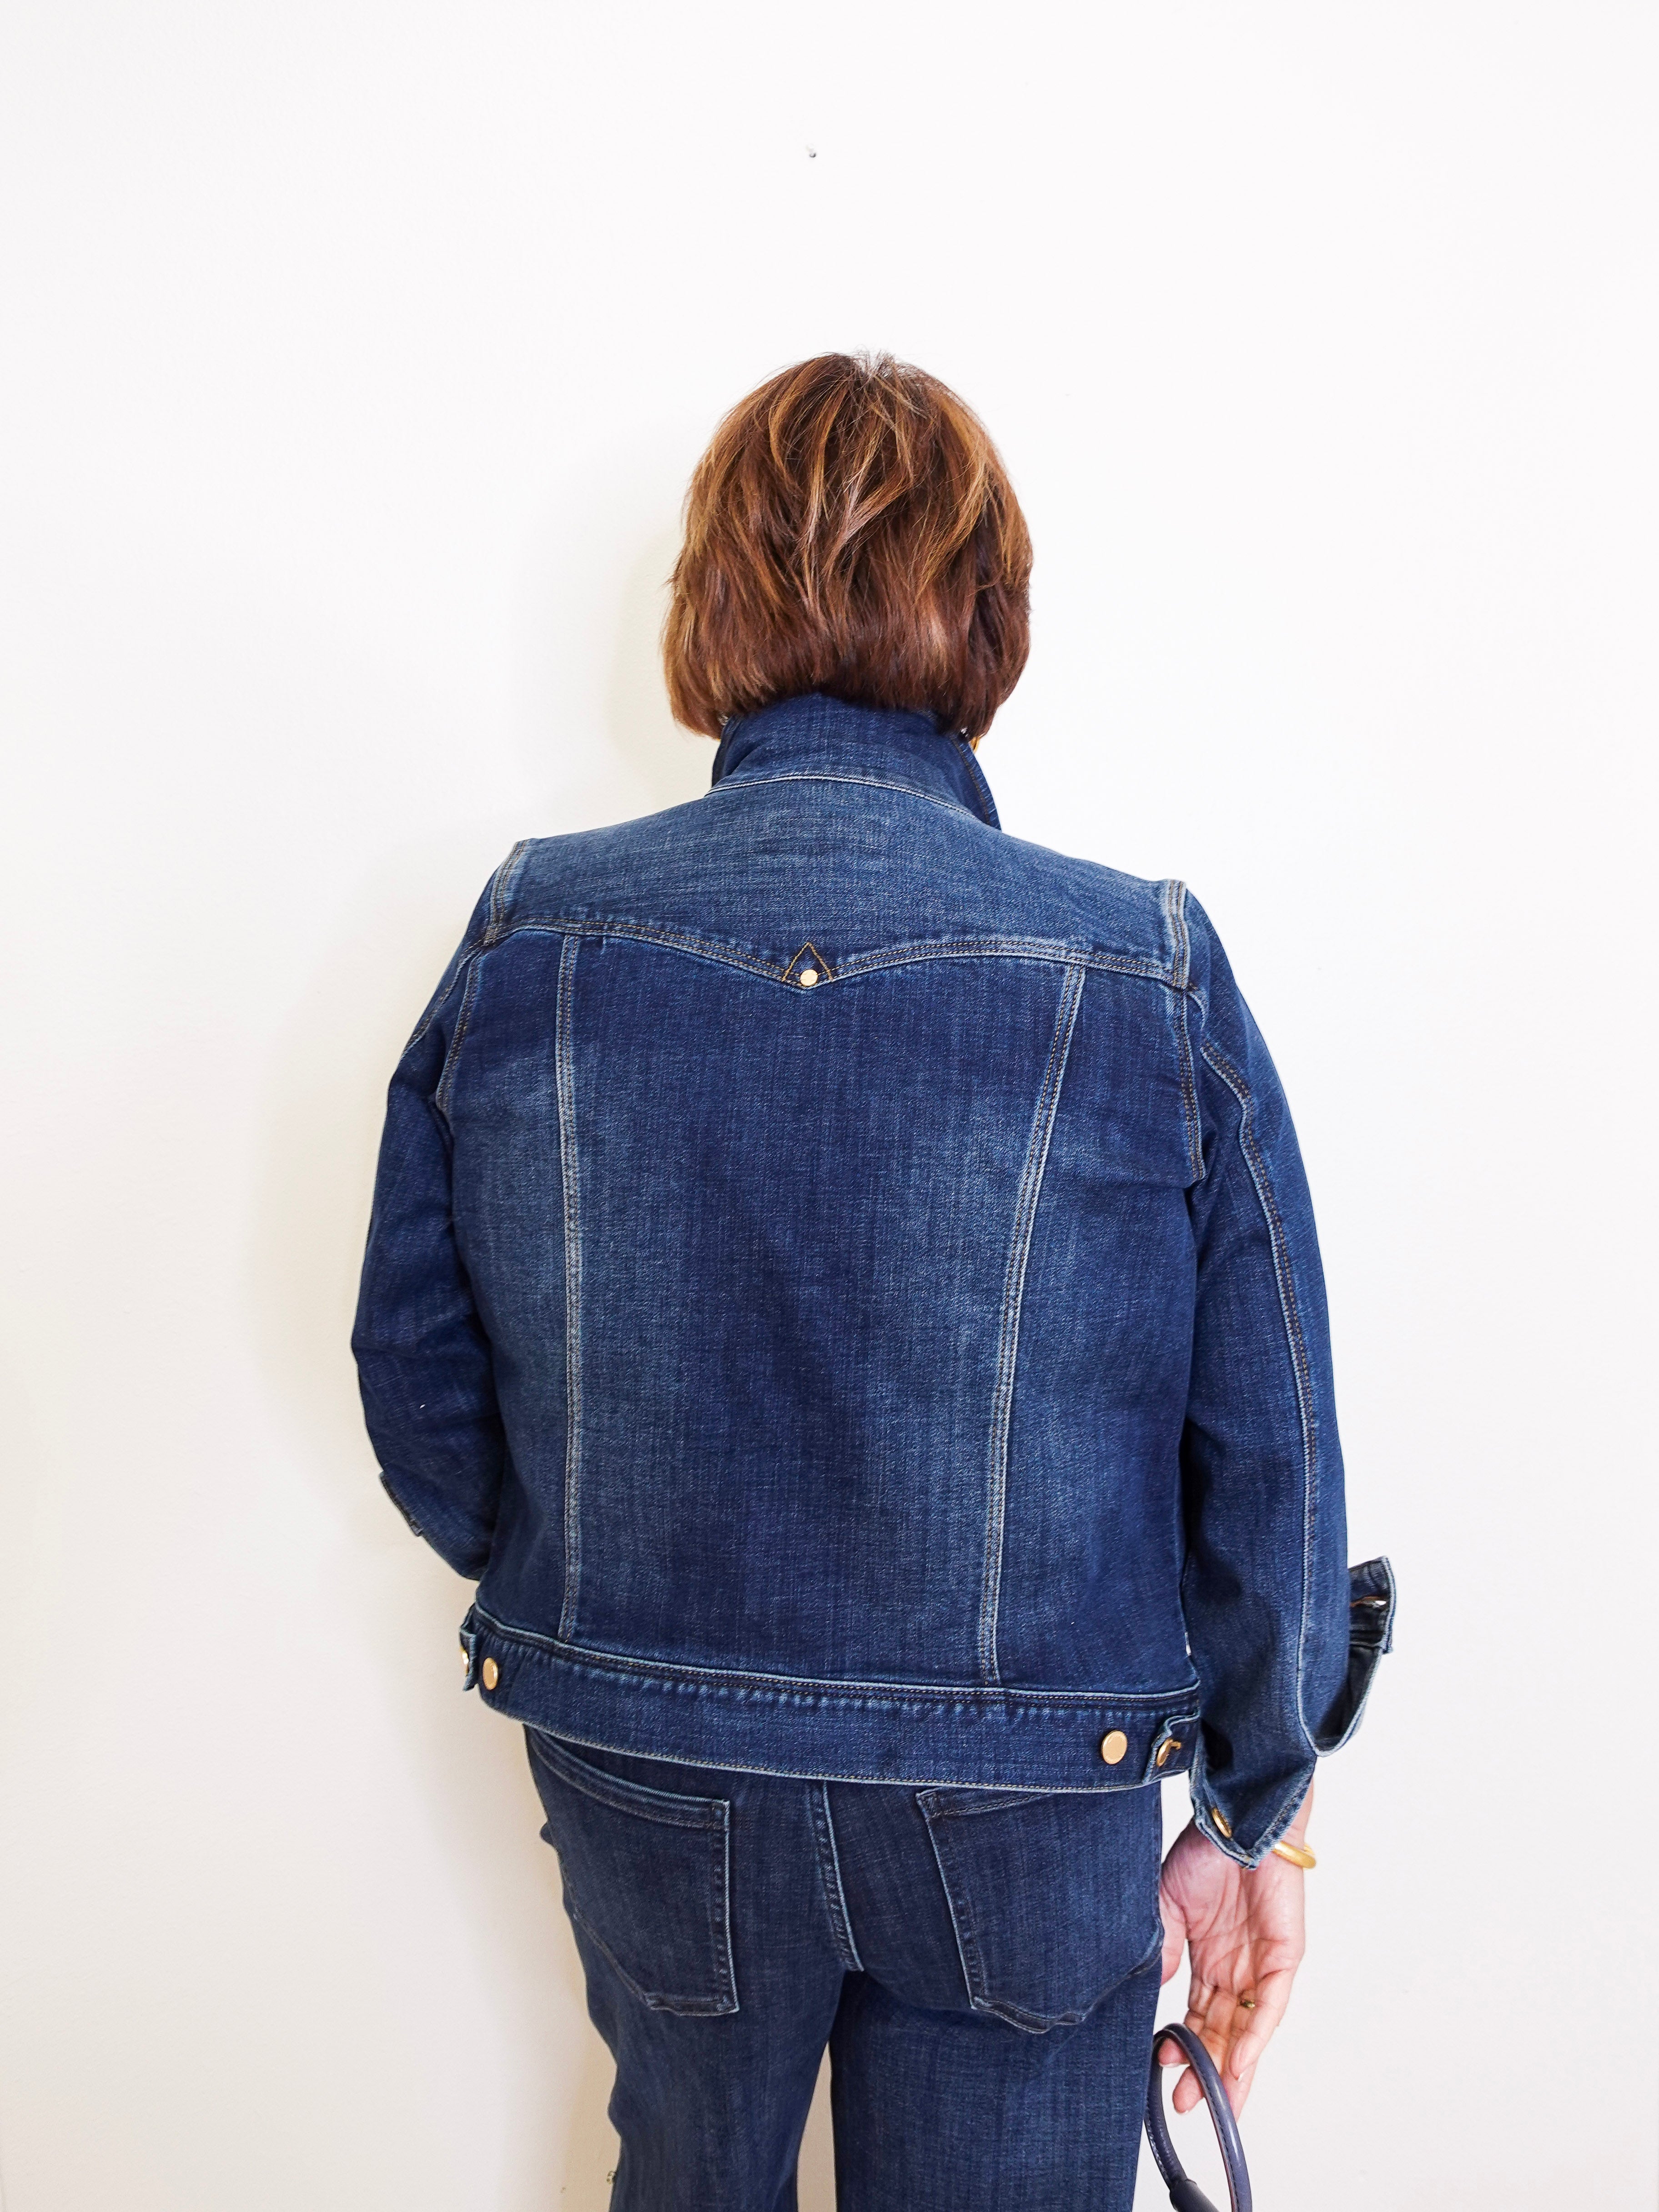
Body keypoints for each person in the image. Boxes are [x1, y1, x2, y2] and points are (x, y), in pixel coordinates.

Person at [352, 352, 1394, 2211]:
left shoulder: (534, 926)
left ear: (711, 603)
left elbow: (415, 1363)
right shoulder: (1137, 963)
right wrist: (1259, 1808)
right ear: (990, 613)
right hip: (1026, 1804)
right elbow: (1275, 1447)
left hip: (653, 1773)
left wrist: (605, 1597)